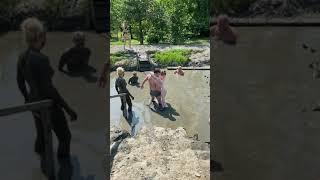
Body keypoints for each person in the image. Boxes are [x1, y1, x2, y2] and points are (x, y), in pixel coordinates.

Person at [17, 18, 77, 160]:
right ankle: (64, 164)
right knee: (65, 136)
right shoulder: (41, 59)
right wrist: (68, 108)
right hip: (48, 104)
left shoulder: (22, 57)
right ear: (40, 37)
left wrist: (27, 99)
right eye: (44, 35)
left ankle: (42, 161)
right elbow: (49, 90)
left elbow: (19, 82)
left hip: (34, 102)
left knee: (41, 133)